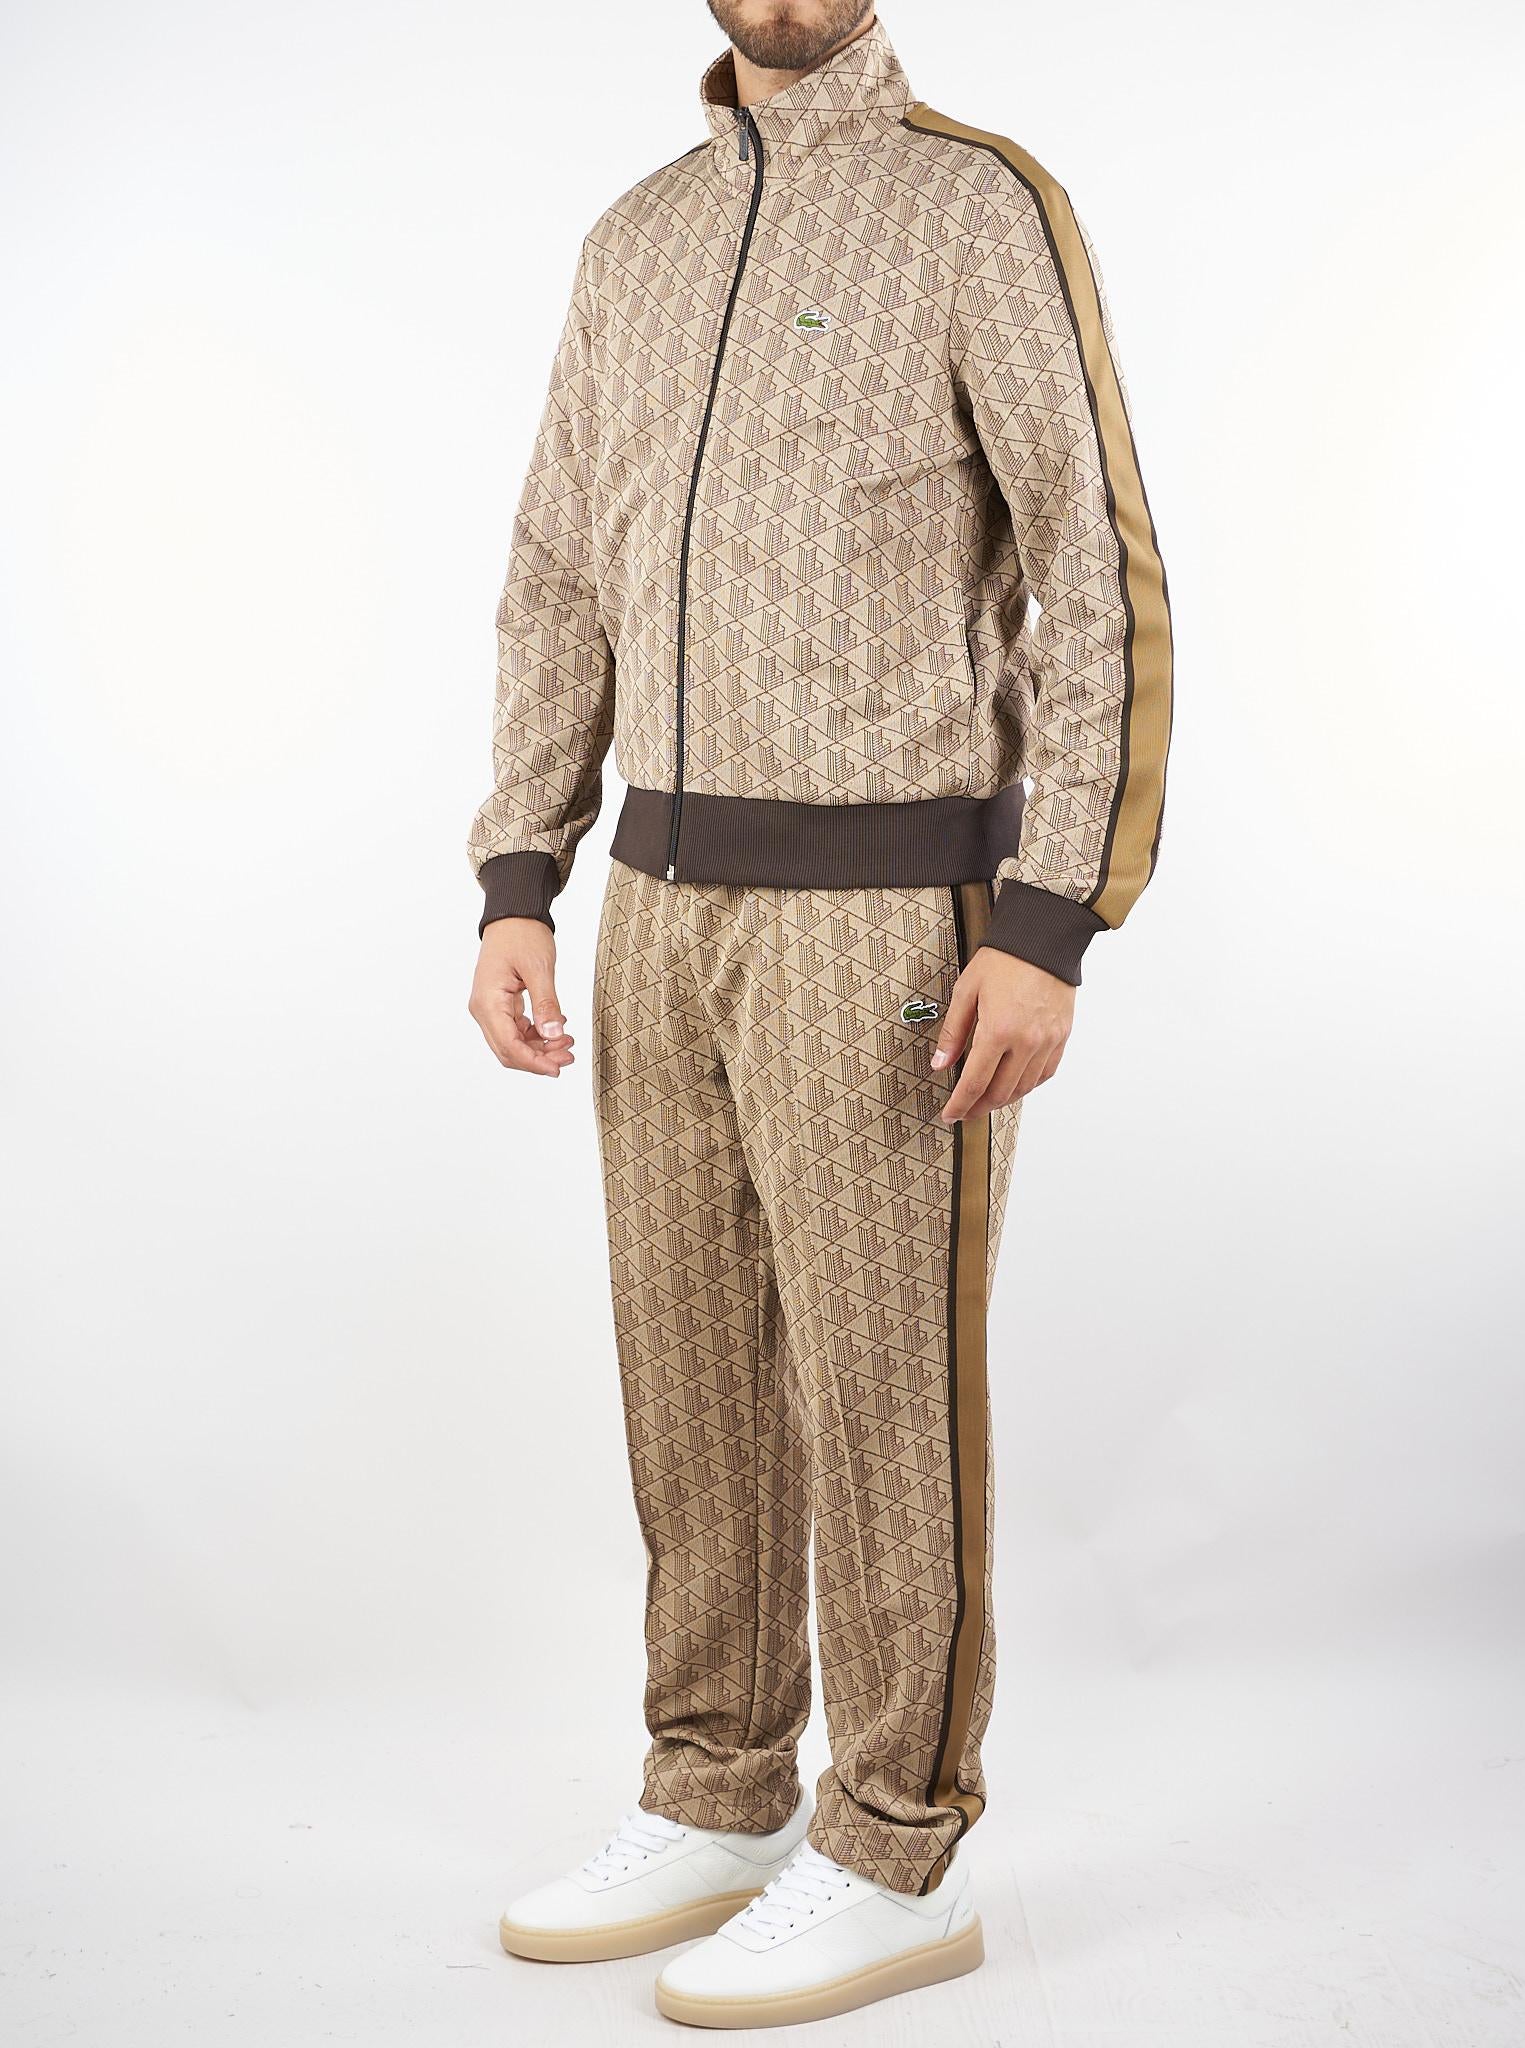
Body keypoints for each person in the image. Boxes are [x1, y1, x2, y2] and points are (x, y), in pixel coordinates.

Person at [467, 2, 1171, 2027]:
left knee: (881, 1395)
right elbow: (557, 569)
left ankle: (894, 1841)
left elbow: (1096, 569)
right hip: (657, 909)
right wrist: (521, 868)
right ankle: (715, 1790)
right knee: (688, 1371)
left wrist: (1049, 917)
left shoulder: (976, 206)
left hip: (891, 915)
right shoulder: (638, 237)